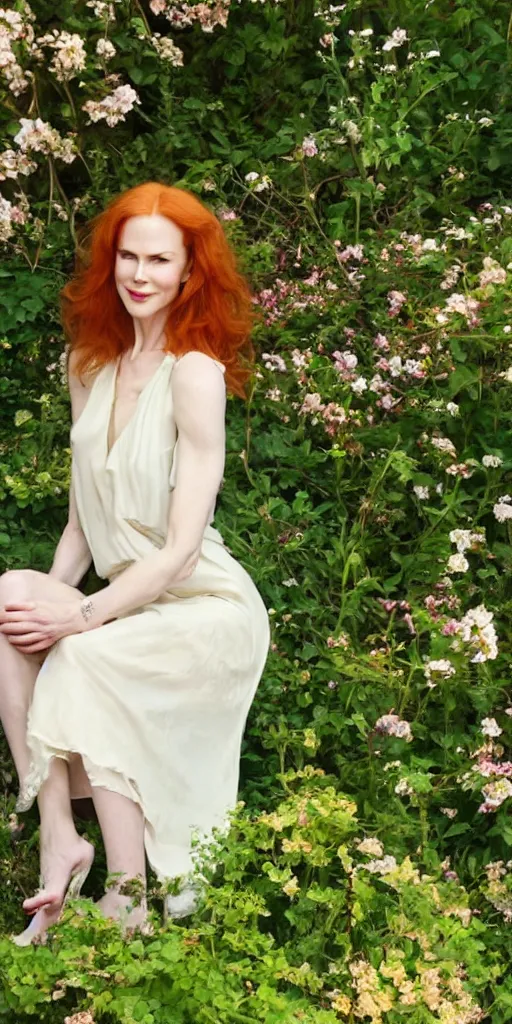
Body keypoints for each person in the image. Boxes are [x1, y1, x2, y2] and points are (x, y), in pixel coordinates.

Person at [0, 181, 270, 945]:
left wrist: (77, 617)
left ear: (189, 273)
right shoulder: (88, 364)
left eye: (160, 259)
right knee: (9, 605)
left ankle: (128, 896)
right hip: (127, 600)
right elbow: (85, 517)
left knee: (82, 661)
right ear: (110, 262)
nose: (140, 274)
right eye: (128, 256)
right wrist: (44, 608)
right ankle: (61, 835)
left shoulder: (195, 374)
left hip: (201, 606)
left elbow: (183, 547)